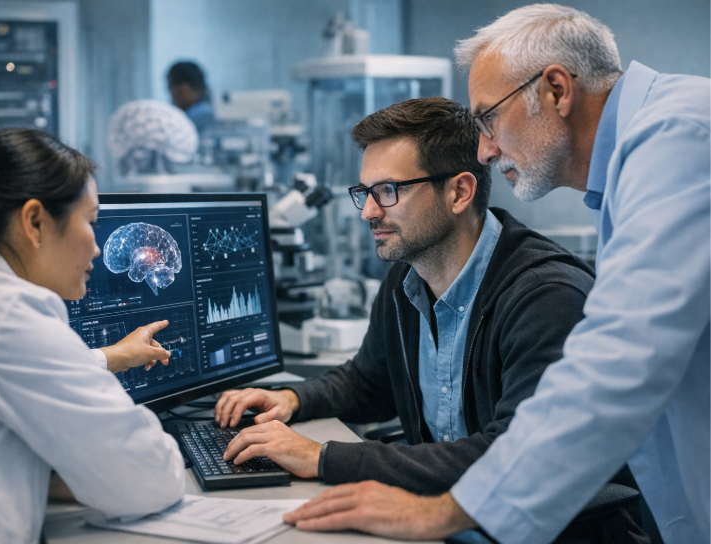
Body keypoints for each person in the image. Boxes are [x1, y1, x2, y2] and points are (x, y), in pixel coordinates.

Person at [284, 4, 711, 543]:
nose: (484, 150)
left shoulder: (677, 138)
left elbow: (620, 362)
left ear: (556, 89)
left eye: (488, 118)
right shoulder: (638, 164)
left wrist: (440, 511)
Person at [215, 97, 605, 509]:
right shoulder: (407, 278)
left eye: (387, 191)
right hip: (436, 519)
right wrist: (294, 399)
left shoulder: (545, 297)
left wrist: (322, 457)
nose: (367, 212)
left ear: (459, 192)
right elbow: (368, 383)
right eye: (365, 192)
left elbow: (510, 457)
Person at [0, 128, 186, 543]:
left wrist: (110, 356)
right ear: (34, 221)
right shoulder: (8, 311)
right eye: (90, 223)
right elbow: (149, 478)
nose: (98, 249)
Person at [166, 61, 215, 134]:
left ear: (184, 89)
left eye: (170, 87)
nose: (171, 94)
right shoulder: (212, 112)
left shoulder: (189, 121)